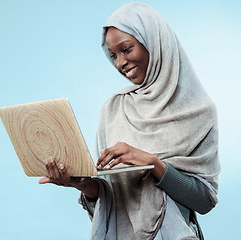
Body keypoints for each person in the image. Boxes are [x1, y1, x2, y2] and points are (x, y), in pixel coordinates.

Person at [39, 2, 220, 239]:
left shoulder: (199, 110)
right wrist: (83, 184)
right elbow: (109, 207)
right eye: (112, 55)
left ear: (154, 42)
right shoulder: (113, 109)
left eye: (126, 49)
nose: (120, 63)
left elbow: (204, 201)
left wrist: (153, 164)